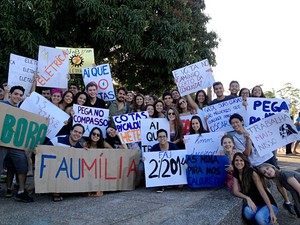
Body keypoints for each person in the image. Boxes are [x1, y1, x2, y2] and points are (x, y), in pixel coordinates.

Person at [1, 86, 33, 202]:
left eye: (20, 95)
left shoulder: (21, 109)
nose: (18, 97)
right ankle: (8, 189)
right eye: (16, 94)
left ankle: (20, 191)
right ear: (10, 94)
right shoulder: (2, 105)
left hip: (15, 144)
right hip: (1, 144)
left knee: (21, 165)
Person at [232, 152, 278, 224]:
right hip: (256, 205)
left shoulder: (252, 172)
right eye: (236, 160)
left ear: (245, 161)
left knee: (259, 218)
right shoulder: (236, 173)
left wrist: (271, 211)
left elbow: (262, 191)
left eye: (241, 160)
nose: (239, 162)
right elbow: (235, 191)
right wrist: (247, 198)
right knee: (247, 212)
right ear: (233, 162)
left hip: (268, 204)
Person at [46, 124, 85, 201]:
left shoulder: (80, 148)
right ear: (71, 131)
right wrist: (38, 151)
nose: (77, 134)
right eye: (75, 131)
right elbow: (44, 150)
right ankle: (55, 191)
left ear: (82, 135)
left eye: (80, 133)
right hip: (54, 168)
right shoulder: (57, 140)